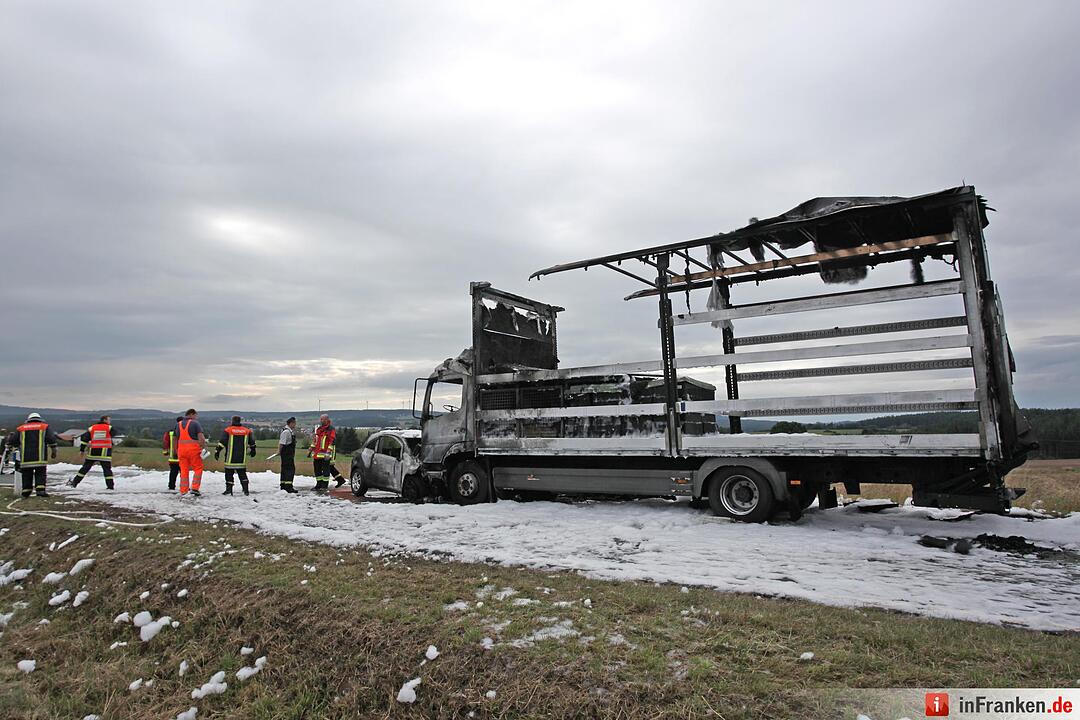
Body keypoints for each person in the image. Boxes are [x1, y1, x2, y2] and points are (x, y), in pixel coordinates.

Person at [14, 412, 58, 497]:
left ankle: (26, 491)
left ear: (28, 419)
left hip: (25, 458)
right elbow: (51, 440)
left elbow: (13, 440)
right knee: (40, 474)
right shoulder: (44, 427)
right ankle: (40, 491)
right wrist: (54, 452)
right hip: (40, 458)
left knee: (26, 474)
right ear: (39, 419)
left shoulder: (21, 428)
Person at [69, 415, 116, 489]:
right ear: (104, 420)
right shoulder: (109, 428)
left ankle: (74, 483)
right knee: (107, 470)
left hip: (93, 451)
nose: (110, 421)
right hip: (105, 452)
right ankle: (110, 487)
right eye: (109, 420)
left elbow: (84, 440)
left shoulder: (92, 428)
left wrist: (82, 450)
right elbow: (113, 435)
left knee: (85, 468)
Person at [214, 416, 257, 495]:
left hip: (230, 458)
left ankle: (229, 490)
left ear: (232, 421)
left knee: (229, 474)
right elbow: (252, 442)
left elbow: (222, 442)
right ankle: (246, 490)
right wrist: (253, 450)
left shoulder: (228, 430)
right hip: (241, 459)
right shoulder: (247, 431)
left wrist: (217, 452)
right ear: (240, 421)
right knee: (242, 474)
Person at [309, 413, 346, 491]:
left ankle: (324, 486)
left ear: (327, 420)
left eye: (322, 419)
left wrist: (328, 451)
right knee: (317, 470)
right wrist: (311, 447)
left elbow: (332, 441)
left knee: (327, 469)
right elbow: (316, 440)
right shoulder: (319, 429)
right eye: (321, 419)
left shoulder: (331, 429)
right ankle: (318, 484)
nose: (321, 420)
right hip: (317, 454)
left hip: (325, 454)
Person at [176, 408, 208, 497]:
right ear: (191, 414)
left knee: (184, 470)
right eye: (195, 415)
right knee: (198, 468)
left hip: (181, 451)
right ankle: (195, 488)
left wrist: (176, 450)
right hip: (193, 450)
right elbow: (201, 437)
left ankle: (183, 490)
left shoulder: (178, 424)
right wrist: (204, 447)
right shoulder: (195, 423)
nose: (196, 417)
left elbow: (175, 439)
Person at [277, 416, 298, 493]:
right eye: (294, 423)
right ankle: (288, 487)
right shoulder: (286, 432)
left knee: (285, 469)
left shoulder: (290, 431)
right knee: (290, 470)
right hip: (287, 454)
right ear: (291, 423)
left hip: (288, 453)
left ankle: (284, 485)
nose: (295, 425)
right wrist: (279, 451)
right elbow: (281, 443)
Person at [161, 417, 182, 490]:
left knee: (173, 472)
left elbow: (165, 443)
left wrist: (165, 452)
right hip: (183, 457)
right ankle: (184, 486)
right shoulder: (186, 432)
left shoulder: (170, 432)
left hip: (173, 457)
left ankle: (171, 486)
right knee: (184, 473)